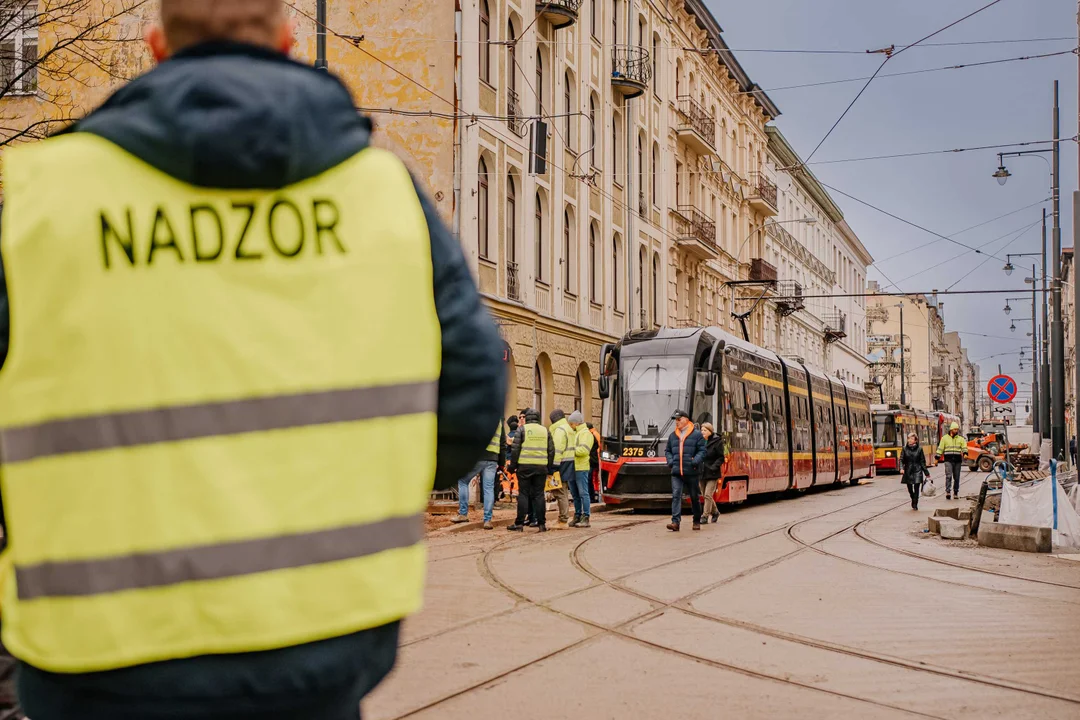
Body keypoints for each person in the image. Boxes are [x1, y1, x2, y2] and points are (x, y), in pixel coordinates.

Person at [0, 1, 507, 718]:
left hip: (97, 651)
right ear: (289, 39)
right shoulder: (382, 194)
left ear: (155, 46)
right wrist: (356, 482)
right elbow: (474, 390)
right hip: (320, 636)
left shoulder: (41, 195)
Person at [507, 408, 556, 532]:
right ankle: (541, 524)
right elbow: (551, 450)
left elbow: (515, 449)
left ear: (527, 418)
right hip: (541, 468)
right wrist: (549, 467)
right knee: (539, 495)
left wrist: (513, 466)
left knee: (523, 494)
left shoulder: (522, 430)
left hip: (524, 467)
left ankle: (519, 524)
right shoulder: (545, 430)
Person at [452, 421, 506, 529]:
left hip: (477, 457)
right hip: (492, 459)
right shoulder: (499, 422)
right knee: (488, 488)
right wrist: (501, 463)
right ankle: (487, 520)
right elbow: (502, 443)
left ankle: (463, 514)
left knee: (463, 481)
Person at [665, 411, 706, 532]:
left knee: (694, 496)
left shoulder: (697, 435)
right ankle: (675, 522)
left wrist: (695, 461)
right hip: (677, 471)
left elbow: (702, 451)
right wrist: (671, 462)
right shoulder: (673, 436)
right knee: (676, 495)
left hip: (692, 471)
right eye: (675, 420)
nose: (677, 422)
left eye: (679, 419)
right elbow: (667, 451)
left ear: (686, 420)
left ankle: (696, 520)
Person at [568, 411, 595, 528]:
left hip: (581, 467)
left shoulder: (586, 434)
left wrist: (570, 451)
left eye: (571, 424)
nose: (570, 427)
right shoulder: (576, 433)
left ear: (576, 423)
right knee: (575, 494)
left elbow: (584, 451)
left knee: (583, 493)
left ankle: (586, 516)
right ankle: (577, 514)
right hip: (573, 467)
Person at [548, 409, 574, 524]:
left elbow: (557, 450)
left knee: (560, 492)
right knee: (563, 491)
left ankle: (563, 518)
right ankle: (563, 516)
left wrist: (553, 467)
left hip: (561, 463)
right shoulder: (568, 428)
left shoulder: (559, 430)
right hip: (569, 462)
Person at [700, 422, 724, 524]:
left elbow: (721, 457)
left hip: (712, 473)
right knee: (704, 495)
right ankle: (715, 512)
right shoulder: (700, 442)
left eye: (704, 430)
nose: (702, 432)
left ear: (710, 431)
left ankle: (705, 516)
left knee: (708, 494)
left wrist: (714, 467)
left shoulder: (717, 442)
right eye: (701, 430)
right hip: (701, 472)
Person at [900, 432, 930, 510]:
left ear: (915, 440)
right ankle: (912, 497)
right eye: (909, 438)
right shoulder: (904, 449)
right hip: (908, 470)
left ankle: (915, 502)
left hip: (917, 470)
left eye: (912, 439)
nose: (910, 440)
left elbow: (922, 461)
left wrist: (926, 473)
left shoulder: (920, 449)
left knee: (916, 487)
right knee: (910, 488)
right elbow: (901, 460)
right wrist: (901, 468)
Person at [937, 421, 966, 500]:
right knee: (948, 476)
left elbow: (964, 447)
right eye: (955, 429)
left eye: (957, 429)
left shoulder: (960, 439)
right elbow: (940, 448)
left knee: (956, 477)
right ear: (951, 429)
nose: (956, 431)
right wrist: (937, 458)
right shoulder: (944, 438)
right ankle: (948, 491)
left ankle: (956, 492)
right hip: (948, 460)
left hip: (957, 460)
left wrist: (965, 453)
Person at [587, 422, 602, 502]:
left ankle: (596, 493)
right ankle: (596, 493)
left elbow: (598, 447)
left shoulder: (593, 435)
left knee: (593, 477)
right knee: (595, 477)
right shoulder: (595, 433)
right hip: (596, 459)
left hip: (594, 459)